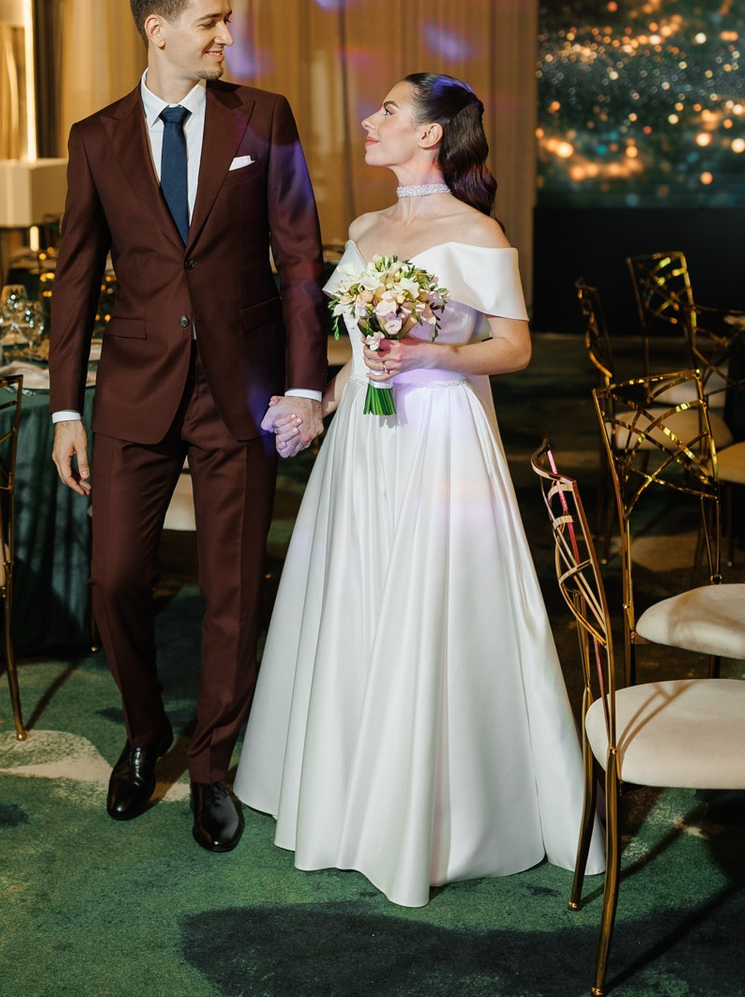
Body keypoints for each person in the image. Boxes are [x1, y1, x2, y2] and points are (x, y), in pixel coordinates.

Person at [236, 73, 599, 906]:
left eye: (389, 111)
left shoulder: (476, 232)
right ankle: (343, 793)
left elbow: (514, 348)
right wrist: (318, 405)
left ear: (432, 134)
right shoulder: (367, 229)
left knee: (431, 604)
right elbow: (359, 353)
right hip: (365, 444)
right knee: (355, 594)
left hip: (440, 435)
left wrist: (431, 354)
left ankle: (435, 812)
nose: (370, 120)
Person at [48, 0, 330, 853]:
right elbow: (75, 279)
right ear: (158, 28)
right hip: (135, 389)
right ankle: (145, 733)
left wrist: (303, 383)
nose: (225, 37)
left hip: (240, 391)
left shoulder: (264, 117)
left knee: (231, 588)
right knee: (115, 579)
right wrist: (64, 408)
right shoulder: (96, 138)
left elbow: (300, 259)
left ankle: (211, 764)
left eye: (227, 20)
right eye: (210, 21)